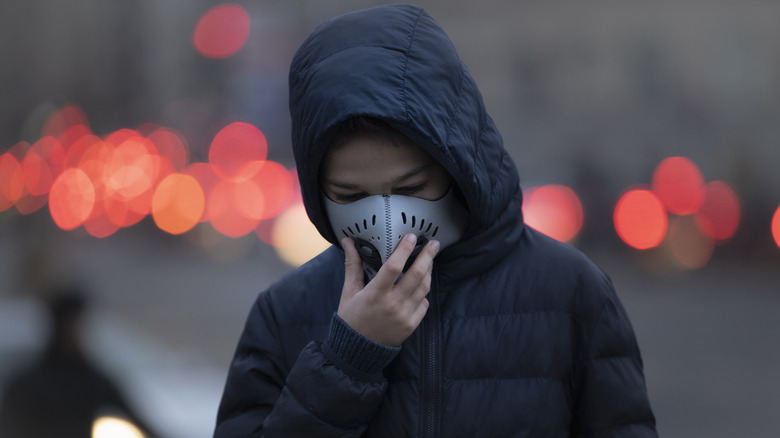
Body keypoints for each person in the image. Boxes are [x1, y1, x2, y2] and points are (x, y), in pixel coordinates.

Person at [215, 4, 657, 437]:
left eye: (411, 189)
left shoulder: (571, 292)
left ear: (458, 168)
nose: (386, 220)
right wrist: (348, 358)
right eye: (350, 195)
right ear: (318, 191)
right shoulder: (285, 312)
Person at [0, 288, 159, 438]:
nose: (76, 332)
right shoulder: (26, 386)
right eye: (71, 324)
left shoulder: (92, 381)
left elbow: (137, 419)